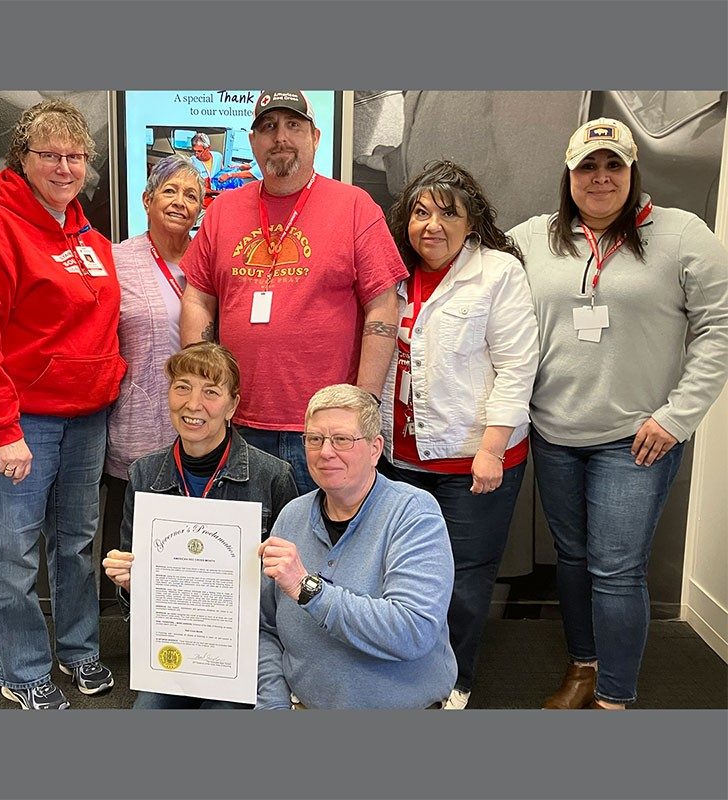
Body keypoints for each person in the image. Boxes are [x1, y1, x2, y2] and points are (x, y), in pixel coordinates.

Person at [509, 117, 728, 710]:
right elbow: (468, 272)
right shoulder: (533, 237)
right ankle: (584, 666)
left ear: (633, 171)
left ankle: (613, 697)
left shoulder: (684, 234)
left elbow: (718, 329)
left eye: (614, 165)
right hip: (555, 433)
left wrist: (677, 417)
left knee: (615, 570)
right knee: (574, 560)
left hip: (637, 439)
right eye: (587, 166)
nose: (600, 177)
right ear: (569, 173)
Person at [0, 99, 126, 710]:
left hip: (84, 417)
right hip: (19, 421)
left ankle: (78, 650)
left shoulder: (89, 237)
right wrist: (2, 429)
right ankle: (22, 669)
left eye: (75, 156)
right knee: (15, 551)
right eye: (51, 154)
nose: (65, 167)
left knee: (75, 542)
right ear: (22, 159)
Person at [180, 90, 408, 494]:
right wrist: (200, 387)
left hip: (324, 430)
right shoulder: (223, 211)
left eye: (293, 125)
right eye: (268, 127)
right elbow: (198, 298)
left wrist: (365, 401)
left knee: (319, 547)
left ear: (315, 137)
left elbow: (383, 306)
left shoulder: (355, 207)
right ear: (253, 142)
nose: (280, 137)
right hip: (238, 422)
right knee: (244, 549)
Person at [379, 160, 539, 710]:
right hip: (400, 461)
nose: (432, 225)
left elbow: (518, 367)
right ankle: (408, 675)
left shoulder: (497, 273)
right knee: (406, 577)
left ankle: (454, 680)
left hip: (474, 460)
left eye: (449, 213)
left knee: (466, 584)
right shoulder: (393, 272)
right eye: (421, 212)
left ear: (472, 222)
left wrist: (492, 449)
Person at [103, 343, 298, 709]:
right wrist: (130, 583)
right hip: (173, 645)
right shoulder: (144, 474)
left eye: (211, 392)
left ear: (232, 405)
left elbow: (286, 592)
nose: (193, 404)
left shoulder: (272, 476)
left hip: (242, 649)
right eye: (182, 387)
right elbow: (134, 597)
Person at [257, 384, 457, 709]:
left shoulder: (414, 513)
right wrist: (273, 703)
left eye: (342, 440)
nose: (325, 452)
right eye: (315, 439)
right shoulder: (292, 516)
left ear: (375, 448)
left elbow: (413, 630)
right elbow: (265, 627)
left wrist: (309, 591)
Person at [102, 155, 203, 557]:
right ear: (146, 199)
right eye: (170, 190)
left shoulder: (209, 262)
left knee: (189, 548)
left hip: (199, 425)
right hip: (136, 428)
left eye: (191, 194)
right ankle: (121, 617)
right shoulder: (117, 261)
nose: (181, 201)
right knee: (130, 548)